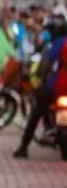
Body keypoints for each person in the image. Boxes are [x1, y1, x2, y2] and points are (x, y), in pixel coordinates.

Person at [14, 11, 67, 159]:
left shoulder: (58, 43)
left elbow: (46, 65)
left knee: (36, 111)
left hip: (57, 87)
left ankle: (23, 147)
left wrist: (40, 78)